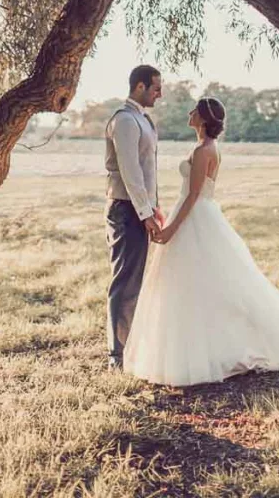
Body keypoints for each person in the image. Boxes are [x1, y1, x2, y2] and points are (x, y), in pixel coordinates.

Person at [123, 96, 279, 386]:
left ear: (203, 119)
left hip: (196, 216)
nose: (189, 112)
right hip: (197, 213)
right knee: (199, 284)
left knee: (202, 282)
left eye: (194, 110)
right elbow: (190, 195)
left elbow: (193, 195)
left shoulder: (204, 150)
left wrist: (169, 231)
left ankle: (219, 348)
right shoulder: (206, 148)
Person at [104, 64, 164, 370]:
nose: (160, 93)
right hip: (126, 210)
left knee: (135, 281)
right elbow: (130, 172)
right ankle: (117, 356)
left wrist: (155, 207)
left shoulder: (143, 120)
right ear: (139, 87)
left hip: (139, 208)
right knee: (125, 281)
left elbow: (148, 170)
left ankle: (130, 349)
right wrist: (144, 213)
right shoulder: (125, 121)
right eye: (156, 87)